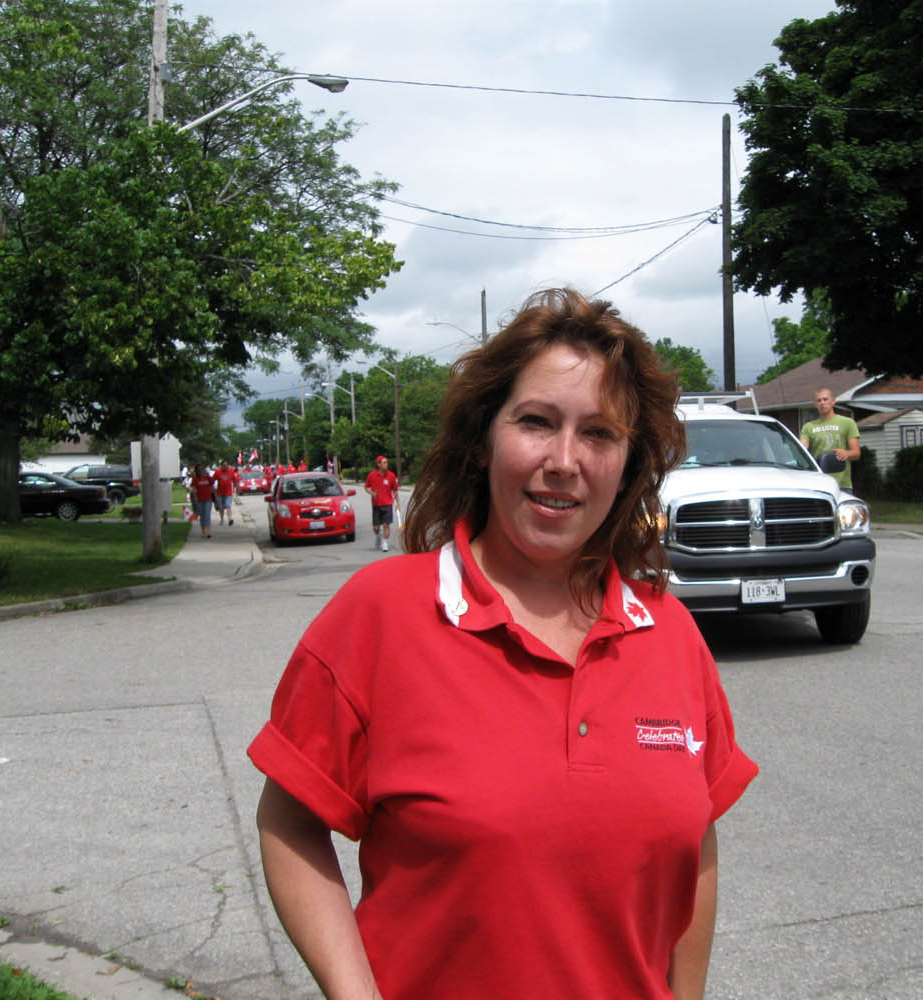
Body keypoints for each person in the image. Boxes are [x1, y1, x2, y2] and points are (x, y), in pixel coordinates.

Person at [248, 287, 759, 1000]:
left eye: (599, 434)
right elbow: (290, 819)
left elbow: (694, 839)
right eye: (536, 422)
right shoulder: (382, 613)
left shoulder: (667, 630)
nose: (564, 460)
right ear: (484, 438)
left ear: (628, 463)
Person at [799, 387, 861, 491]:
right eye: (819, 400)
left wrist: (846, 453)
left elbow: (856, 453)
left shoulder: (848, 423)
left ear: (833, 401)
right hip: (818, 483)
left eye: (825, 399)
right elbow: (802, 450)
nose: (822, 403)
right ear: (815, 404)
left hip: (842, 484)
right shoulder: (808, 427)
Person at [363, 455, 399, 552]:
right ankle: (378, 535)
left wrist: (397, 504)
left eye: (387, 462)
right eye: (384, 462)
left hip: (387, 504)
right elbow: (366, 487)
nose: (387, 464)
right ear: (379, 464)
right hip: (376, 505)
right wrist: (371, 492)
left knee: (386, 525)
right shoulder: (372, 475)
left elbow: (395, 491)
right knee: (376, 527)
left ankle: (385, 543)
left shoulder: (391, 475)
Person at [188, 464, 214, 538]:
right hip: (200, 500)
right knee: (202, 516)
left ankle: (208, 532)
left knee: (207, 515)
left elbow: (212, 487)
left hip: (208, 499)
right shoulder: (195, 479)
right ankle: (203, 531)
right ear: (197, 471)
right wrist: (195, 497)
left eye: (202, 469)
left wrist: (216, 498)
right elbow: (194, 489)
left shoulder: (208, 478)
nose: (201, 471)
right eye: (199, 470)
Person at [213, 459, 238, 526]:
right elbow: (212, 480)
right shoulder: (218, 472)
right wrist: (213, 489)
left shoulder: (231, 471)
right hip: (220, 493)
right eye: (224, 465)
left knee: (228, 505)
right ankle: (222, 519)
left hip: (228, 492)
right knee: (221, 507)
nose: (225, 466)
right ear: (221, 466)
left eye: (226, 465)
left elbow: (234, 481)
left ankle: (230, 519)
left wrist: (235, 489)